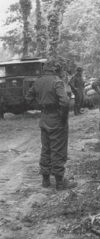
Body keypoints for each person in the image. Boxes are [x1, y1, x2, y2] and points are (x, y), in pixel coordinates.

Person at [25, 60, 77, 191]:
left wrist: (42, 106)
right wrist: (63, 117)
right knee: (58, 149)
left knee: (46, 149)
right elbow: (65, 102)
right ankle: (60, 182)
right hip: (56, 118)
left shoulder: (38, 81)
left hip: (44, 118)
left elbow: (28, 98)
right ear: (55, 69)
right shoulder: (56, 81)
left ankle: (45, 180)